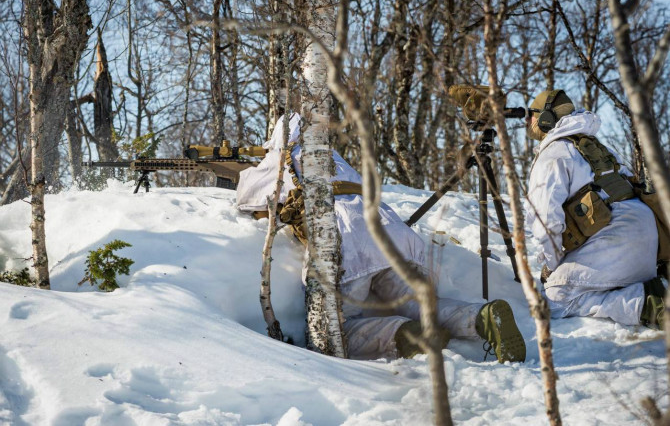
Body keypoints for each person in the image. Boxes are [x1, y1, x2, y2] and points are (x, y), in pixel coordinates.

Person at [237, 111, 526, 362]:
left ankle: (405, 335)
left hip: (348, 247)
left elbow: (245, 197)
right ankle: (481, 318)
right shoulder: (333, 158)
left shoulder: (284, 157)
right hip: (393, 237)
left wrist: (258, 163)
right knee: (419, 305)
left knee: (333, 331)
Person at [524, 89, 665, 328]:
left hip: (616, 243)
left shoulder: (554, 155)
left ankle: (649, 304)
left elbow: (546, 221)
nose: (528, 121)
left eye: (532, 115)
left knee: (555, 298)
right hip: (647, 242)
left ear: (546, 119)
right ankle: (649, 284)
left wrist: (551, 265)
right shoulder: (597, 148)